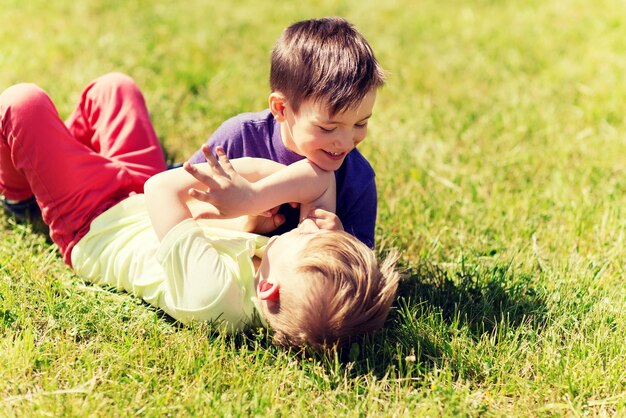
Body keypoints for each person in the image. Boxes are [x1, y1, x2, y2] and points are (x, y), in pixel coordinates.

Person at [0, 73, 399, 349]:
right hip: (142, 196)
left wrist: (251, 188)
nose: (308, 225)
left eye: (306, 236)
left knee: (22, 103)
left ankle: (20, 192)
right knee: (114, 89)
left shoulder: (212, 298)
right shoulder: (276, 275)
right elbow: (320, 180)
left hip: (98, 221)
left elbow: (163, 188)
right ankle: (64, 158)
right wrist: (253, 213)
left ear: (267, 287)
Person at [187, 16, 385, 248]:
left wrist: (341, 241)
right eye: (327, 128)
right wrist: (244, 222)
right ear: (281, 108)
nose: (344, 142)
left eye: (360, 124)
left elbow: (365, 264)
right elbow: (187, 204)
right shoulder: (241, 138)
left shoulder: (358, 180)